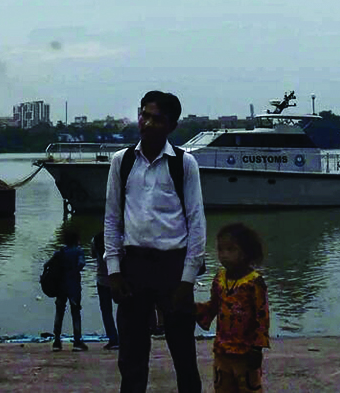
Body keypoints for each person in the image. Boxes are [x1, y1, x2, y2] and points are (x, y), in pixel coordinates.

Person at [104, 90, 207, 393]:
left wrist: (187, 280)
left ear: (171, 126)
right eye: (144, 115)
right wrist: (114, 270)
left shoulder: (184, 164)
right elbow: (112, 218)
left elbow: (196, 221)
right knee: (132, 357)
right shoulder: (121, 162)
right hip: (133, 265)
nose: (147, 124)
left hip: (173, 268)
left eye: (157, 119)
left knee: (184, 354)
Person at [196, 223, 270, 393]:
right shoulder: (219, 279)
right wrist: (190, 308)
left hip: (246, 353)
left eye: (230, 250)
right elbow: (213, 307)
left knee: (249, 388)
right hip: (222, 351)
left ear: (245, 253)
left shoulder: (254, 282)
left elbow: (262, 317)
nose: (224, 255)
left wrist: (257, 349)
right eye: (221, 250)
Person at [50, 226, 89, 351]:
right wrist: (74, 271)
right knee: (76, 313)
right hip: (73, 287)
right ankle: (77, 342)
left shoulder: (60, 252)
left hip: (61, 286)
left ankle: (56, 341)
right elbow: (81, 263)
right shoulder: (78, 251)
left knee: (59, 313)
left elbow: (48, 264)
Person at [92, 231, 120, 349]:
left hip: (102, 279)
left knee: (106, 311)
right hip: (117, 278)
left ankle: (113, 339)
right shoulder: (118, 239)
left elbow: (93, 255)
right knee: (124, 308)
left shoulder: (95, 240)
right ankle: (125, 336)